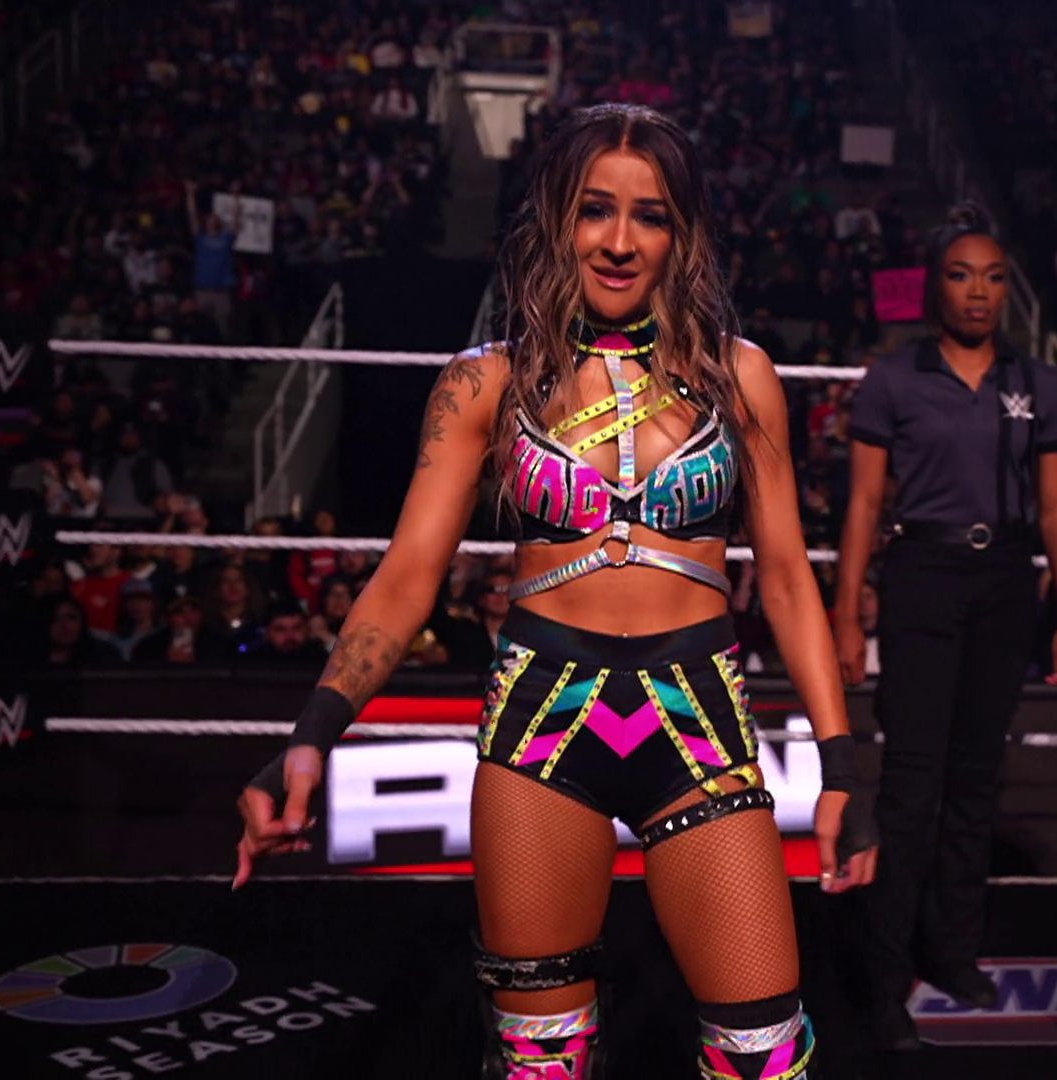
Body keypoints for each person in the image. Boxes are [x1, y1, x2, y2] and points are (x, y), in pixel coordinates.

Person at [233, 103, 868, 1080]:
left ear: (683, 234)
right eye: (594, 210)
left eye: (649, 216)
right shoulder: (485, 383)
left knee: (764, 1057)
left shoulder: (740, 378)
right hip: (543, 723)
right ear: (555, 219)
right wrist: (312, 733)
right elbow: (407, 578)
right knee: (542, 1065)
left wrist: (840, 765)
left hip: (697, 718)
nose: (619, 242)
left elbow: (785, 579)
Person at [833, 202, 1057, 1051]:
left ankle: (952, 952)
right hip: (923, 578)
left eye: (994, 277)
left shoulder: (1036, 382)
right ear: (935, 285)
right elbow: (863, 505)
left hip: (1007, 582)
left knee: (977, 781)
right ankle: (884, 981)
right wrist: (846, 612)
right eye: (961, 274)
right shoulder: (893, 377)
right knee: (911, 790)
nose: (979, 291)